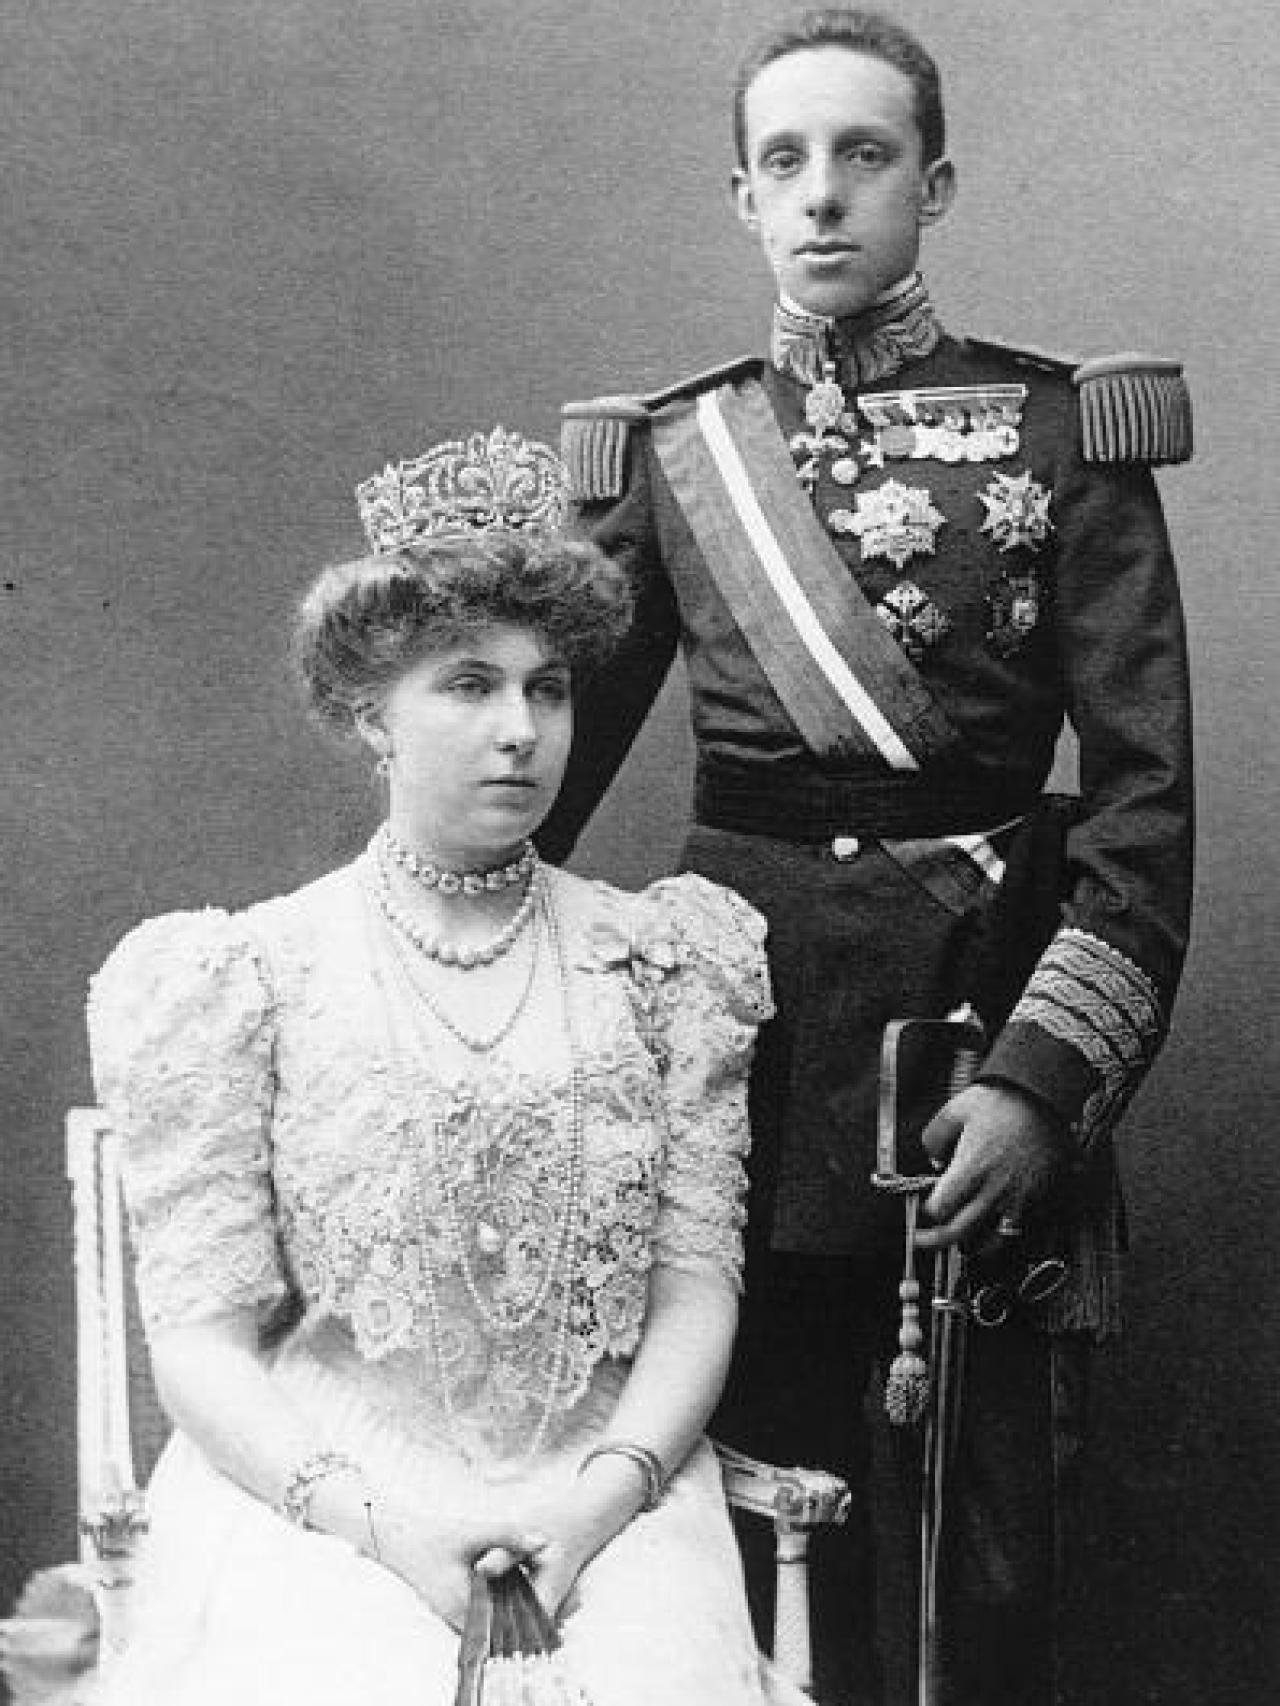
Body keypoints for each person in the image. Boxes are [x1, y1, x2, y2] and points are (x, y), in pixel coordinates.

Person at [538, 10, 1194, 1705]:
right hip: (733, 1069)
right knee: (740, 1543)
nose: (822, 196)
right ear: (743, 198)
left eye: (865, 155)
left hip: (968, 1058)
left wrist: (1046, 1084)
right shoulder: (680, 456)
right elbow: (532, 781)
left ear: (935, 181)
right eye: (784, 161)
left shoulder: (1067, 440)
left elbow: (1140, 804)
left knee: (983, 1561)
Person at [81, 426, 808, 1706]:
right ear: (372, 713)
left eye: (549, 687)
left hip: (610, 1485)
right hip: (324, 1488)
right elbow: (197, 1342)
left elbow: (695, 1296)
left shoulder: (663, 961)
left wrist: (593, 1509)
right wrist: (372, 1522)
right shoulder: (245, 972)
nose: (521, 730)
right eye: (468, 686)